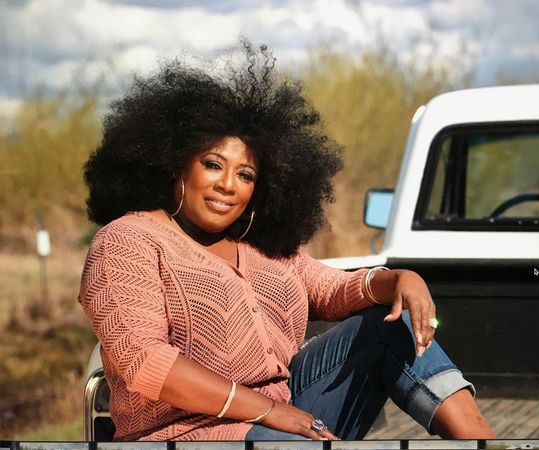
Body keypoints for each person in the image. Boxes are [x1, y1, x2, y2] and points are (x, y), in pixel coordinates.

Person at [78, 43, 494, 441]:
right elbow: (144, 361)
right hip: (185, 432)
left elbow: (332, 289)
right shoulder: (127, 241)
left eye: (245, 175)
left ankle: (483, 442)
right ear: (176, 164)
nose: (228, 185)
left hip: (287, 416)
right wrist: (268, 411)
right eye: (213, 165)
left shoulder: (262, 247)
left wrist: (399, 279)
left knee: (389, 326)